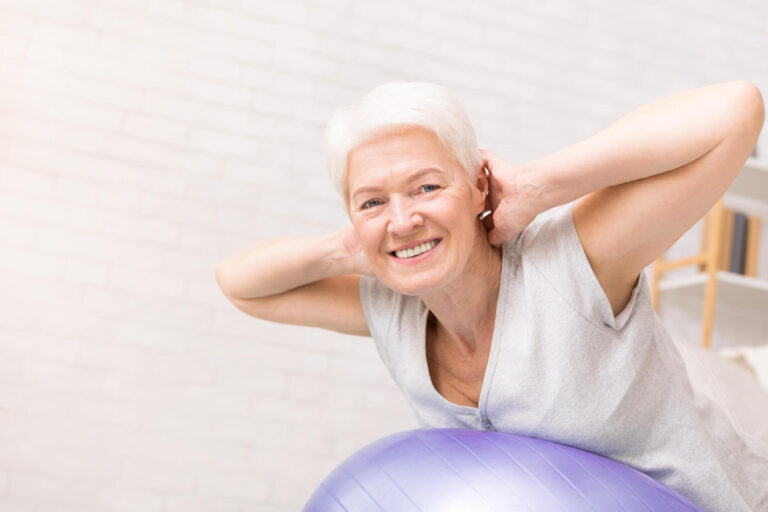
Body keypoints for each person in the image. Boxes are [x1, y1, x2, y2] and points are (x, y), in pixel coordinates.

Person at [216, 81, 768, 511]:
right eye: (372, 201)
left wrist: (538, 186)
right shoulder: (390, 307)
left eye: (427, 187)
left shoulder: (570, 265)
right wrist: (345, 250)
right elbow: (240, 285)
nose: (404, 220)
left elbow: (735, 111)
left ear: (479, 183)